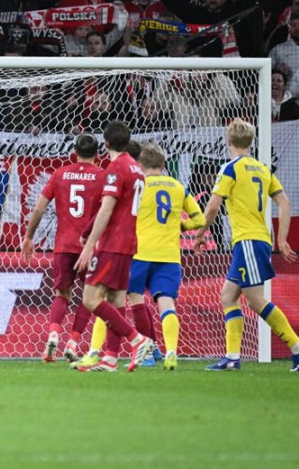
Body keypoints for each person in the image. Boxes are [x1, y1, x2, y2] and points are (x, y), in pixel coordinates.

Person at [84, 144, 206, 371]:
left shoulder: (138, 186)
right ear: (163, 165)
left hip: (139, 254)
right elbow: (200, 219)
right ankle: (171, 353)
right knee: (166, 303)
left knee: (125, 300)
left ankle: (102, 352)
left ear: (139, 165)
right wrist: (182, 225)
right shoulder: (178, 187)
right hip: (169, 256)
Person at [194, 118, 299, 372]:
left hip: (248, 240)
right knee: (228, 296)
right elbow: (284, 203)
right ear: (250, 142)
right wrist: (281, 239)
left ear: (228, 141)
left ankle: (296, 347)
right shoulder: (263, 169)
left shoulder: (230, 168)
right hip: (255, 240)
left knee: (255, 301)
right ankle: (232, 357)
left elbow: (212, 206)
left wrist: (199, 234)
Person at [74, 120, 154, 372]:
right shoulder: (136, 168)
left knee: (90, 298)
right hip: (128, 242)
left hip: (113, 242)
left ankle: (136, 339)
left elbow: (106, 209)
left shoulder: (116, 168)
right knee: (116, 299)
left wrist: (89, 245)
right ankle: (110, 357)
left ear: (105, 142)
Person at [21, 134, 103, 363]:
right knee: (90, 297)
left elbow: (38, 209)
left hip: (63, 245)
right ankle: (73, 343)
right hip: (90, 247)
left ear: (74, 152)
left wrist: (29, 237)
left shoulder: (59, 174)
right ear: (98, 154)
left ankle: (53, 335)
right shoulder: (103, 176)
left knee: (61, 294)